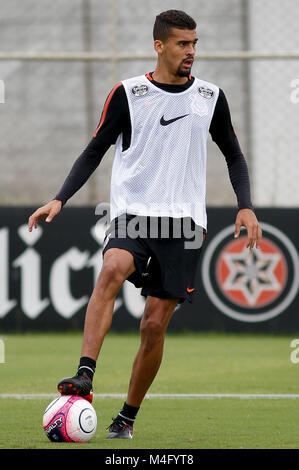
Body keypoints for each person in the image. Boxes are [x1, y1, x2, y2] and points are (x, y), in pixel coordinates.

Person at [28, 10, 262, 439]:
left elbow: (234, 154)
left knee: (153, 324)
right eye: (182, 44)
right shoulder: (129, 94)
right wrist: (61, 197)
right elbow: (95, 149)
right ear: (159, 45)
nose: (191, 51)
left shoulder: (210, 97)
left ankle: (126, 418)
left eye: (194, 43)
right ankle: (84, 375)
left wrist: (245, 205)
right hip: (134, 214)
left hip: (186, 225)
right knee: (112, 267)